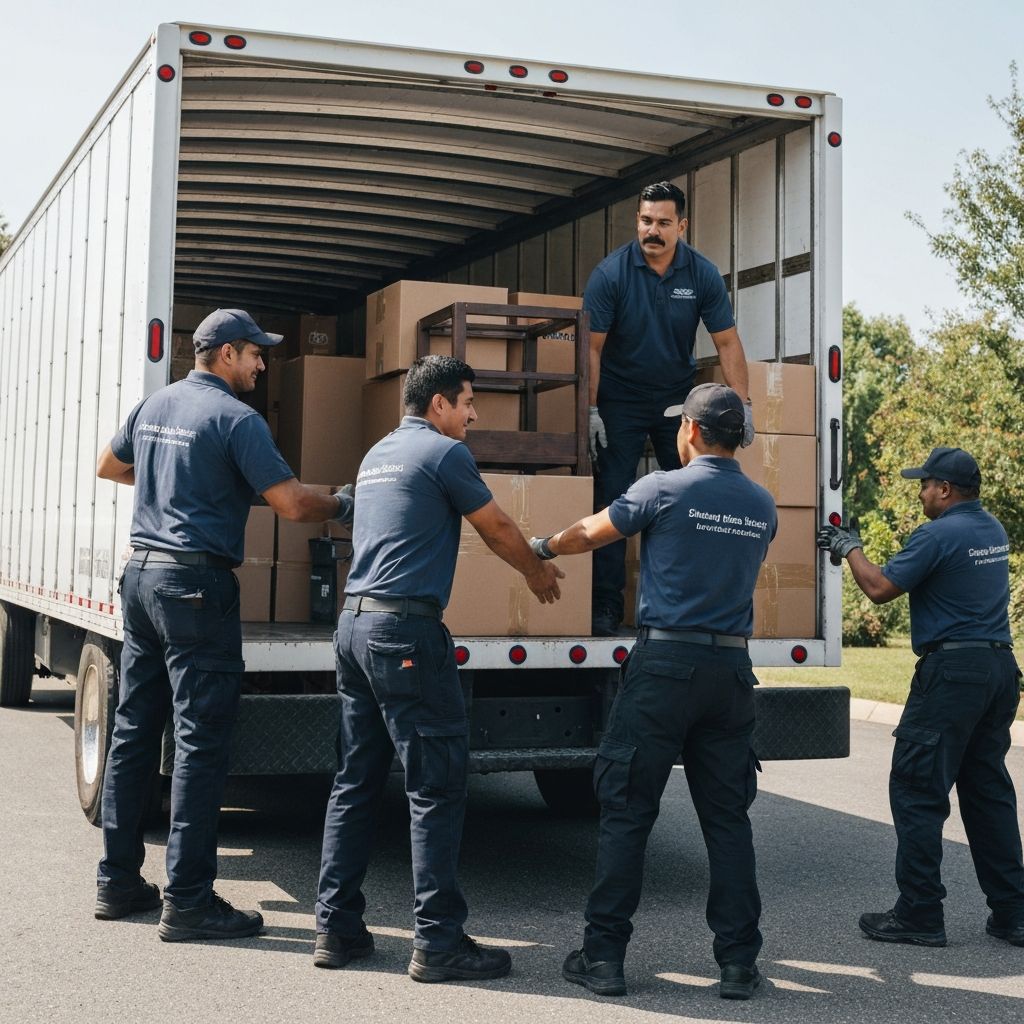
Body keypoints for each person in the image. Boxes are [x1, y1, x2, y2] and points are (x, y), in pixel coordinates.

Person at [94, 308, 354, 942]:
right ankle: (188, 901)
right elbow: (291, 504)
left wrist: (179, 483)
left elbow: (110, 466)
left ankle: (117, 882)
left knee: (133, 732)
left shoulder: (153, 406)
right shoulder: (238, 419)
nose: (263, 364)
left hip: (142, 576)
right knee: (200, 742)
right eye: (256, 354)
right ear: (227, 354)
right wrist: (348, 500)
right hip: (195, 586)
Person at [313, 354, 564, 980]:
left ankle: (335, 930)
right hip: (404, 630)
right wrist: (535, 570)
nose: (474, 413)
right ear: (438, 406)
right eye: (468, 402)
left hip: (353, 626)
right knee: (436, 784)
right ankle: (439, 941)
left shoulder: (375, 456)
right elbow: (497, 526)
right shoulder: (445, 454)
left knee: (355, 780)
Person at [530, 382, 777, 1000]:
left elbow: (592, 533)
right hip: (731, 673)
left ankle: (605, 958)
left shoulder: (662, 487)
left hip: (666, 664)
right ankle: (739, 964)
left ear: (691, 431)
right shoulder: (762, 504)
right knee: (727, 820)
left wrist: (543, 546)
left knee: (628, 811)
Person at [818, 446, 1024, 948]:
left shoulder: (938, 533)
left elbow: (881, 588)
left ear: (946, 490)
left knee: (916, 789)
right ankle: (1015, 913)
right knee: (987, 791)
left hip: (953, 674)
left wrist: (849, 547)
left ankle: (919, 913)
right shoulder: (991, 529)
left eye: (926, 484)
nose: (920, 491)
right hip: (999, 668)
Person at [584, 181, 754, 636]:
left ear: (681, 225)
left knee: (692, 499)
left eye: (662, 223)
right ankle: (605, 607)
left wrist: (744, 406)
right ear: (636, 221)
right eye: (645, 221)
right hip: (618, 401)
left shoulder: (700, 273)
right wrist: (590, 410)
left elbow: (726, 343)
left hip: (678, 403)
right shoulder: (611, 274)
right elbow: (592, 350)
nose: (652, 231)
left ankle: (682, 606)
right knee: (614, 500)